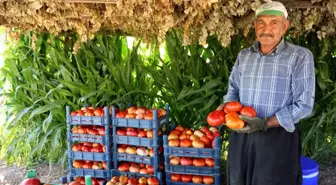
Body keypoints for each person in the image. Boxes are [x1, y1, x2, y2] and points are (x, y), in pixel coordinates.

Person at [217, 1, 316, 185]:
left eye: (274, 22)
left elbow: (304, 105)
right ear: (254, 26)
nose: (266, 28)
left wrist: (265, 123)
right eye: (261, 22)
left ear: (285, 26)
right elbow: (233, 91)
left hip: (277, 138)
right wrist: (226, 109)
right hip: (242, 133)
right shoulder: (244, 56)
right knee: (238, 180)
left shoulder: (300, 56)